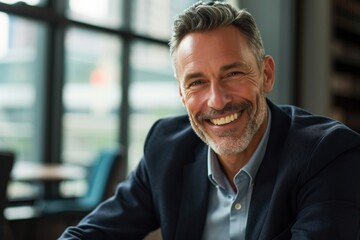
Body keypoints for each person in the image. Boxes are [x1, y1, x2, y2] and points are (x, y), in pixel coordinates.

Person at [59, 1, 360, 239]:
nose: (217, 100)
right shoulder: (166, 148)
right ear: (181, 94)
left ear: (266, 75)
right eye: (197, 82)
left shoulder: (329, 154)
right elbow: (92, 233)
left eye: (232, 74)